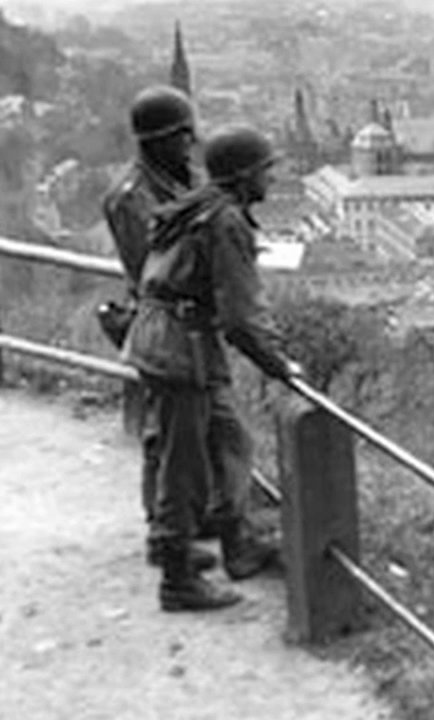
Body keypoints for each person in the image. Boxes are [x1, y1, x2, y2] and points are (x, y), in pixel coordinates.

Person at [122, 124, 302, 612]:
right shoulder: (225, 223)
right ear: (245, 175)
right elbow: (240, 316)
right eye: (266, 168)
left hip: (170, 339)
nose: (272, 177)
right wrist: (281, 365)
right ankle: (176, 577)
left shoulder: (200, 206)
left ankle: (235, 543)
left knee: (232, 440)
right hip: (181, 349)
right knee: (186, 466)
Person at [101, 85, 217, 574]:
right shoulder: (133, 198)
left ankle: (182, 520)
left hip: (184, 321)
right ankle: (167, 538)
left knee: (182, 432)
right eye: (181, 137)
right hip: (162, 321)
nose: (190, 146)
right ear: (156, 141)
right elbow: (155, 265)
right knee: (169, 435)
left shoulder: (176, 178)